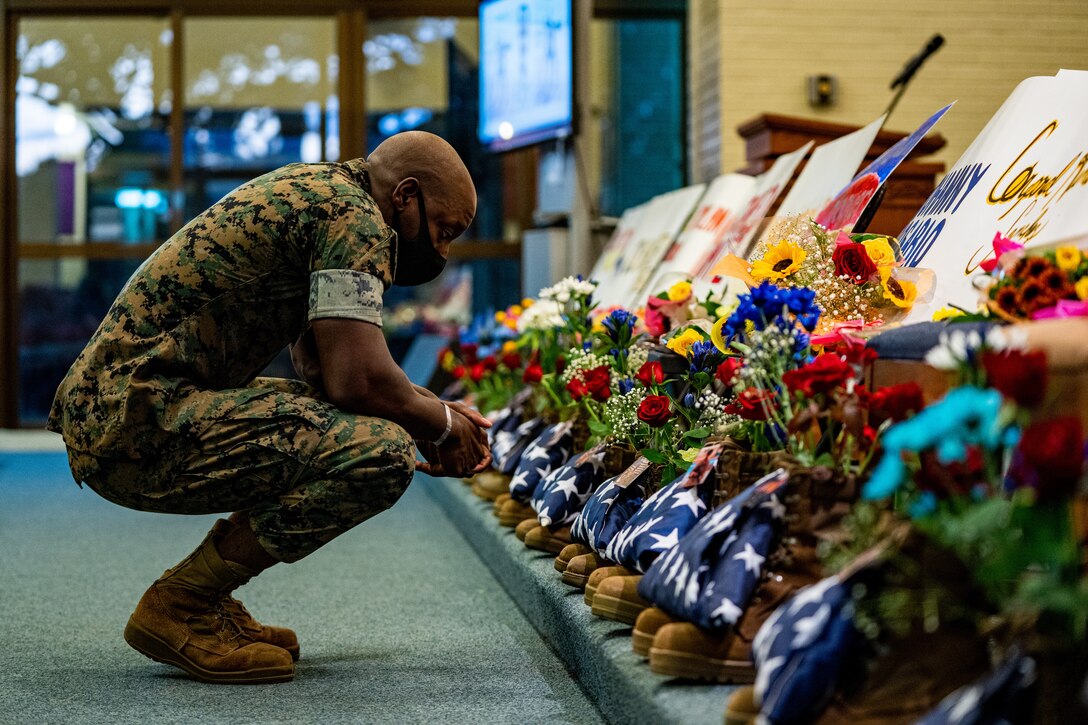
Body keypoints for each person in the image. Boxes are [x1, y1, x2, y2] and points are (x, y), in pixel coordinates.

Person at [48, 131, 493, 684]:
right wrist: (445, 424)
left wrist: (428, 409)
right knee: (380, 453)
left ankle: (202, 599)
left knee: (356, 428)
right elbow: (356, 381)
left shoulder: (322, 191)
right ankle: (183, 602)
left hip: (123, 410)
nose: (442, 252)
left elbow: (323, 375)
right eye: (443, 231)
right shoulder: (355, 219)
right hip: (134, 426)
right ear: (404, 195)